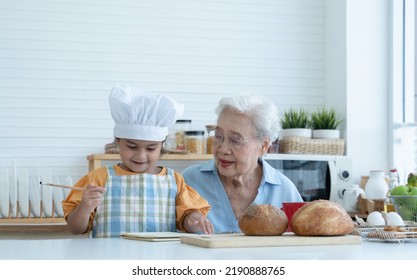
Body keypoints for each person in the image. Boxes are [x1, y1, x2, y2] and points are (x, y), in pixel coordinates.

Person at [62, 84, 213, 237]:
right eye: (132, 147)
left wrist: (192, 220)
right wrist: (85, 207)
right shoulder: (98, 179)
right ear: (118, 142)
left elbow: (185, 222)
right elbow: (76, 228)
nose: (141, 156)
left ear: (162, 146)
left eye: (150, 148)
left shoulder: (174, 180)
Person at [182, 95, 303, 233]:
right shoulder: (190, 181)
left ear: (263, 146)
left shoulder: (284, 190)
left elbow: (298, 249)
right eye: (218, 136)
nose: (223, 149)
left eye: (235, 141)